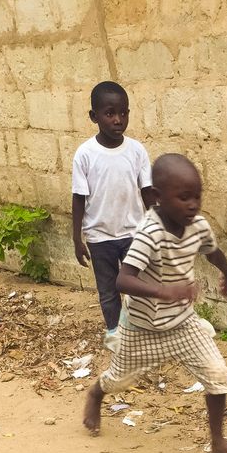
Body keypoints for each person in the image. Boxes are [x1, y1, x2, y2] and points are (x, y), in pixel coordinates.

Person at [81, 154, 227, 453]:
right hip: (141, 328)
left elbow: (212, 251)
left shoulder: (198, 226)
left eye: (197, 196)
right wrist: (164, 291)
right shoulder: (150, 233)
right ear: (158, 197)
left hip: (183, 323)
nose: (193, 205)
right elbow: (123, 279)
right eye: (184, 197)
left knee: (217, 375)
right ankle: (96, 394)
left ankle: (218, 440)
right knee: (119, 380)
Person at [71, 81, 154, 349]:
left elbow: (147, 191)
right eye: (110, 113)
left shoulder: (136, 150)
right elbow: (79, 198)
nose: (118, 120)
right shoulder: (85, 154)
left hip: (133, 233)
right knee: (108, 289)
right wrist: (77, 239)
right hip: (100, 237)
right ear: (94, 116)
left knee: (138, 285)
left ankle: (141, 330)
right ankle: (115, 333)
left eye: (123, 113)